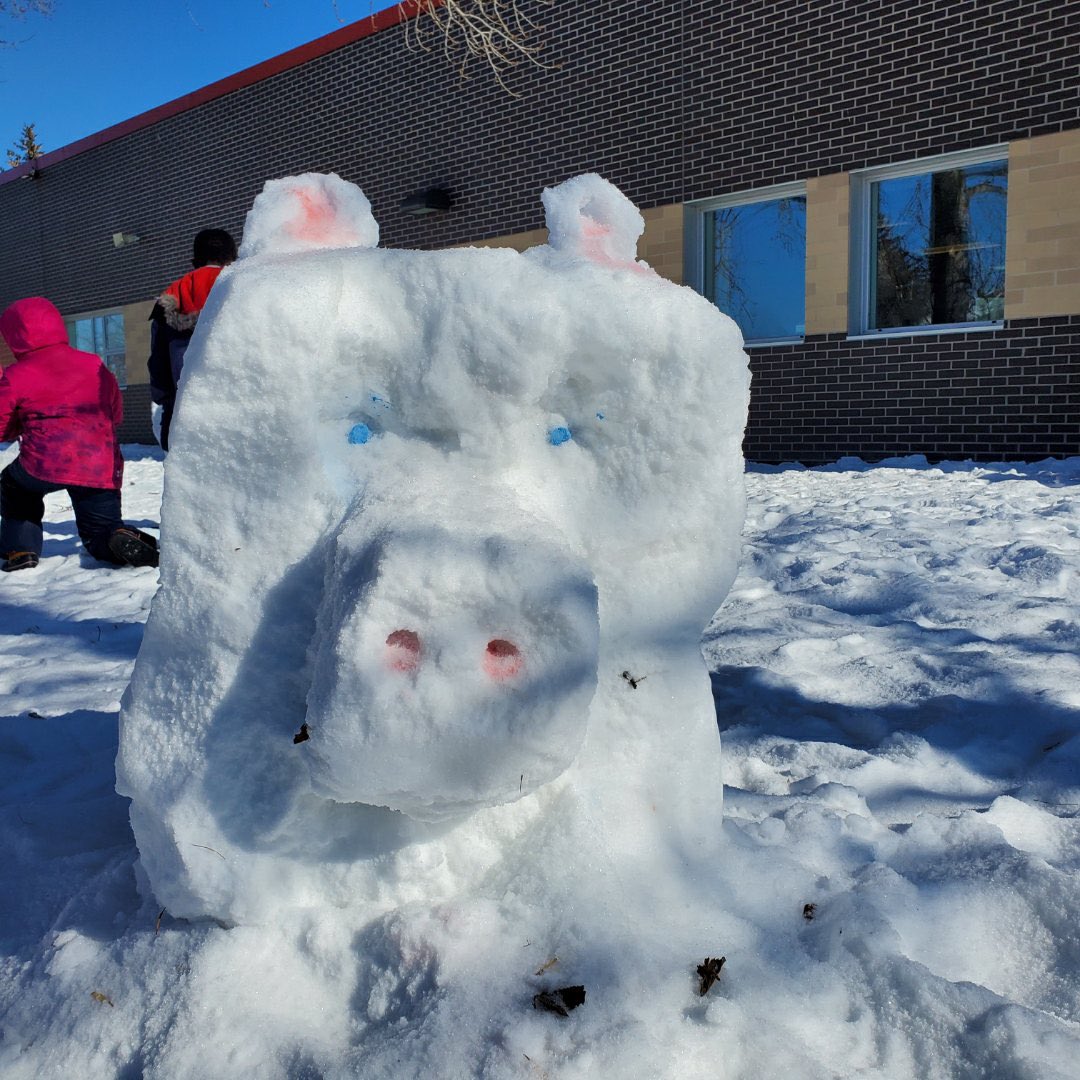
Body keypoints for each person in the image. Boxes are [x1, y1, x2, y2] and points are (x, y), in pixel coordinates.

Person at [0, 297, 158, 572]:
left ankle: (21, 549)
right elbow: (115, 412)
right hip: (98, 463)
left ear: (13, 336)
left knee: (15, 487)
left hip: (45, 463)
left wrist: (16, 429)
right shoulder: (93, 363)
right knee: (98, 531)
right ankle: (115, 538)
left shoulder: (16, 374)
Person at [148, 227, 237, 451]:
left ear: (194, 260)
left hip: (185, 410)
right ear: (232, 257)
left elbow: (158, 365)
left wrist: (168, 406)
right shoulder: (242, 284)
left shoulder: (171, 296)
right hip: (240, 405)